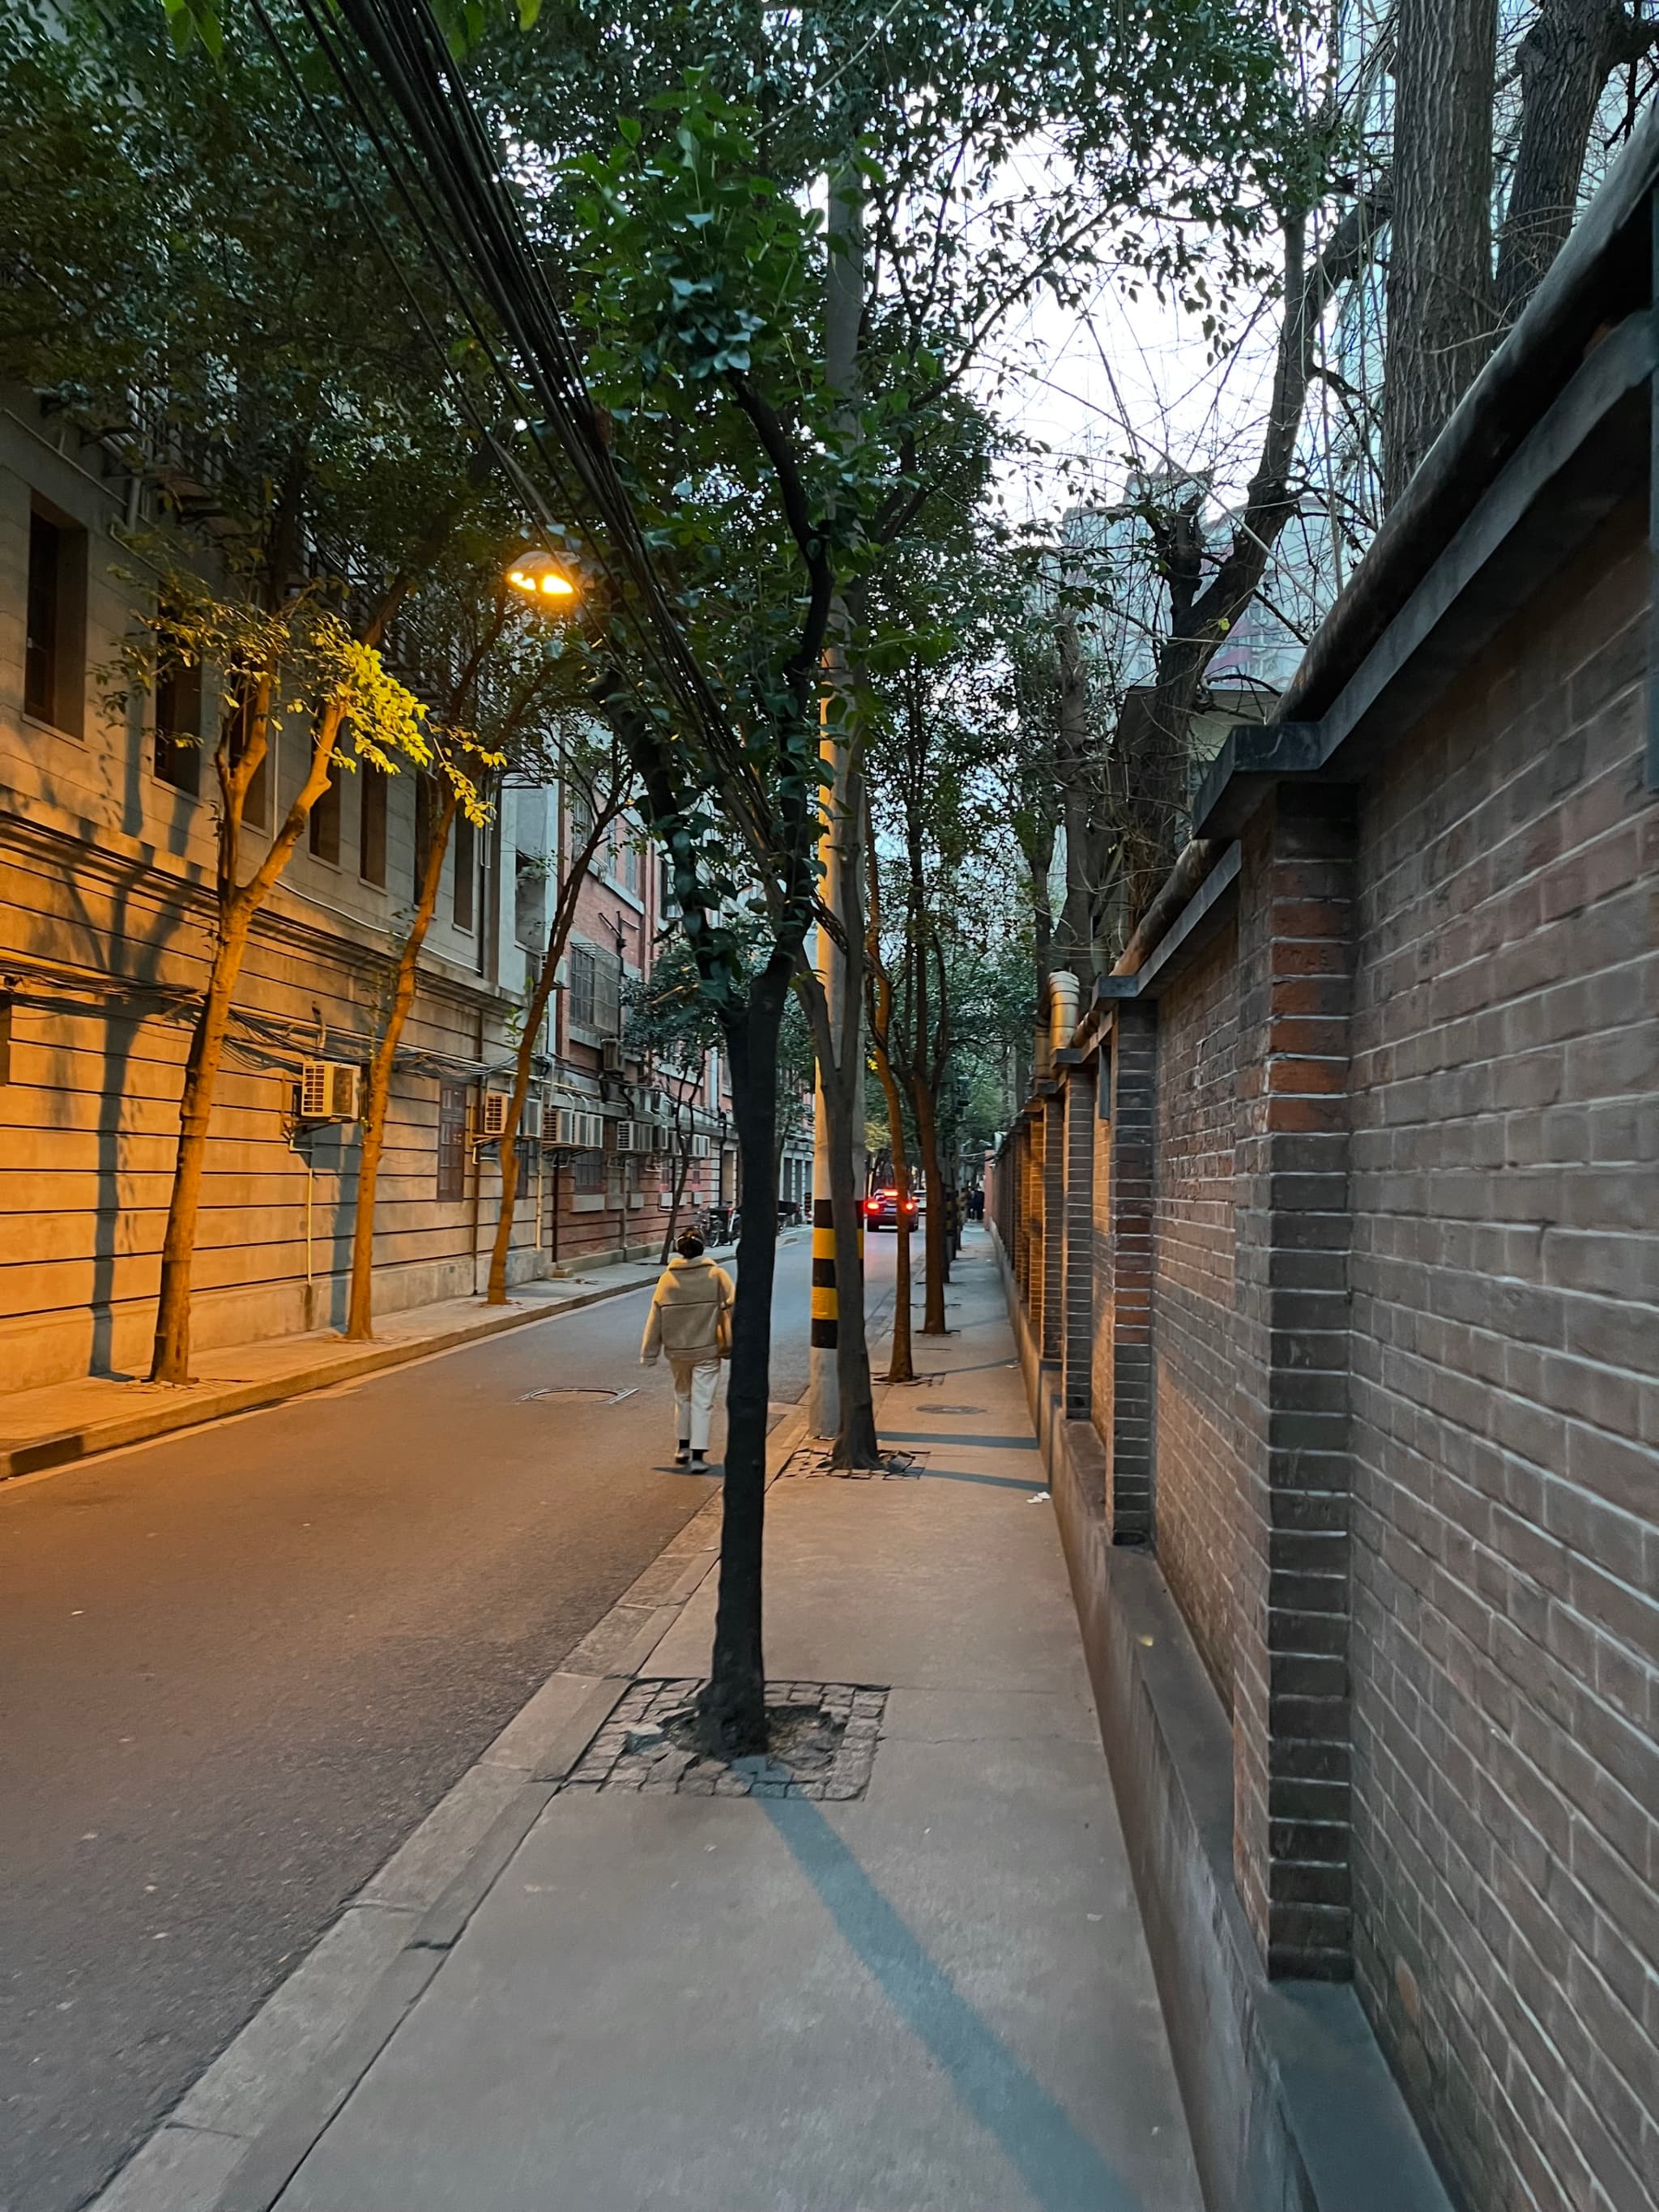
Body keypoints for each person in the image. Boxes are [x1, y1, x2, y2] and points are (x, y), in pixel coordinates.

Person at [640, 1230, 735, 1467]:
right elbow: (734, 1306)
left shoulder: (667, 1279)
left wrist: (649, 1353)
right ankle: (698, 1456)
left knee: (682, 1395)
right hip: (708, 1348)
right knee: (703, 1400)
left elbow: (656, 1317)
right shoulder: (716, 1274)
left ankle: (682, 1447)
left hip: (677, 1351)